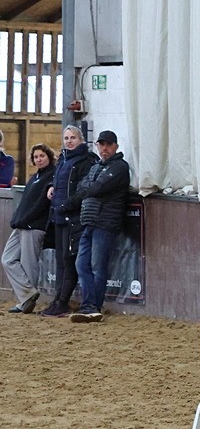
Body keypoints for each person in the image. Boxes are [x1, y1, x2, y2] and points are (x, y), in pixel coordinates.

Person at [70, 130, 131, 323]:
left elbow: (93, 188)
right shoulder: (97, 166)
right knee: (82, 264)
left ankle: (93, 305)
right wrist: (89, 189)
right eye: (101, 144)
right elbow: (85, 187)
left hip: (105, 222)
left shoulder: (119, 167)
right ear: (97, 145)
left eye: (108, 145)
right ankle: (89, 304)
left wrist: (88, 190)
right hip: (90, 220)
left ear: (115, 146)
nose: (104, 148)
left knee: (96, 265)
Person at [39, 126, 98, 317]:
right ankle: (57, 300)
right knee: (60, 261)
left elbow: (83, 189)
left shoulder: (86, 161)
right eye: (66, 138)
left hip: (73, 217)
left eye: (73, 137)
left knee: (68, 260)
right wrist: (51, 186)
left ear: (81, 140)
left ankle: (62, 301)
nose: (69, 141)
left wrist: (67, 205)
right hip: (59, 216)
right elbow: (58, 181)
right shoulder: (63, 160)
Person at [2, 143, 55, 313]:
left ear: (49, 156)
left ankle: (25, 302)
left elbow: (42, 203)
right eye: (36, 157)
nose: (39, 159)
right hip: (22, 224)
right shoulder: (35, 178)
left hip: (35, 225)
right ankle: (28, 294)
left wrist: (25, 219)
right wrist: (19, 219)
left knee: (28, 263)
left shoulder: (52, 176)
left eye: (42, 156)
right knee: (7, 259)